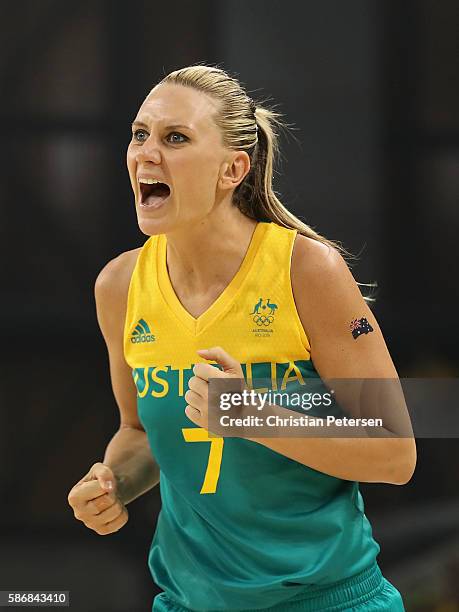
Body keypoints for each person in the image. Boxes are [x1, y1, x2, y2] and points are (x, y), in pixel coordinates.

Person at [67, 64, 416, 611]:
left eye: (175, 138)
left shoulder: (307, 269)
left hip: (328, 600)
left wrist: (255, 417)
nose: (145, 154)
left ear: (233, 168)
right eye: (140, 135)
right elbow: (137, 431)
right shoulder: (119, 285)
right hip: (186, 602)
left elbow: (395, 454)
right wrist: (112, 481)